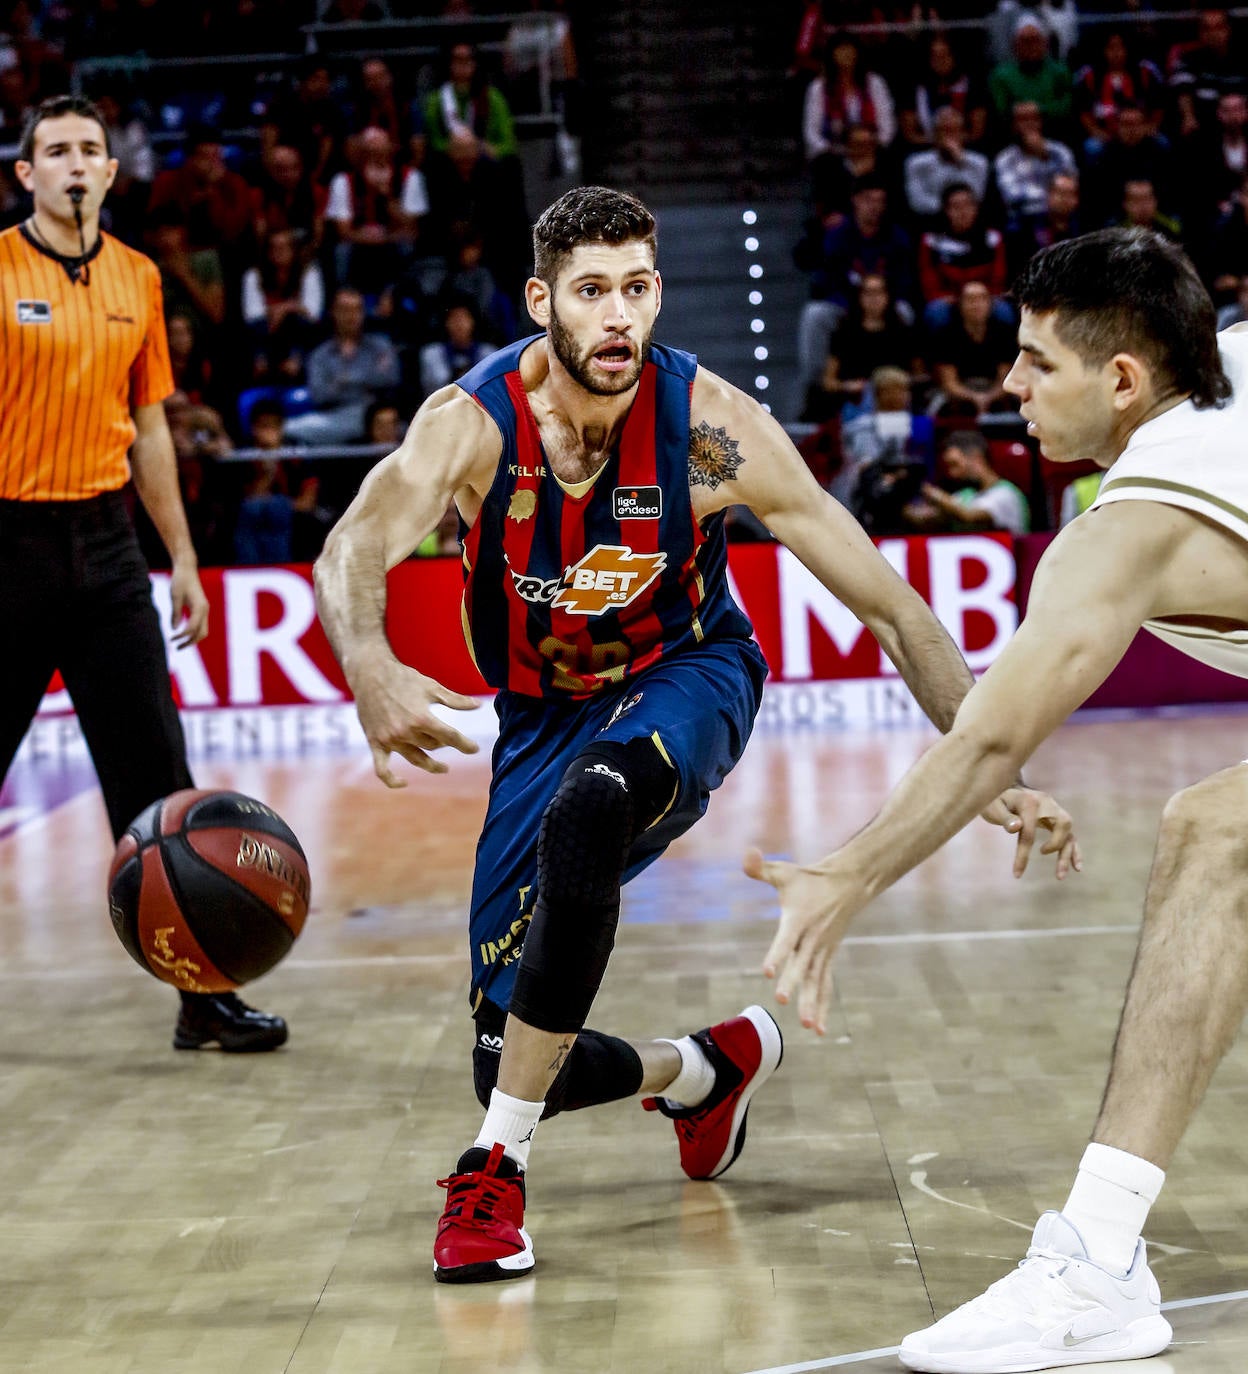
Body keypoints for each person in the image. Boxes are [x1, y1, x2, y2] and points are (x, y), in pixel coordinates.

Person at [312, 185, 1072, 1285]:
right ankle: (705, 1072)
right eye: (590, 293)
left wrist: (992, 759)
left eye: (635, 288)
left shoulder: (715, 431)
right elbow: (352, 547)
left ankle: (494, 1174)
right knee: (507, 1052)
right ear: (543, 302)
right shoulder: (472, 424)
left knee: (595, 807)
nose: (618, 316)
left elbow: (891, 608)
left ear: (658, 291)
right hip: (540, 716)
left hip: (689, 675)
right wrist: (370, 666)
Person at [747, 227, 1248, 1370]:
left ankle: (1095, 1269)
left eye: (1033, 361)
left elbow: (989, 740)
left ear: (1123, 380)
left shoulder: (1128, 527)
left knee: (1215, 832)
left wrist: (843, 877)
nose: (1005, 383)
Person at [0, 95, 287, 1053]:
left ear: (111, 172)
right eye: (56, 151)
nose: (75, 164)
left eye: (90, 149)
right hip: (9, 547)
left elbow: (152, 425)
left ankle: (203, 998)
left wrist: (186, 557)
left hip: (109, 549)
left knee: (159, 789)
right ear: (26, 174)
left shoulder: (139, 276)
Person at [912, 428, 1031, 534]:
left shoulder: (1005, 493)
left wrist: (930, 491)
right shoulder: (966, 494)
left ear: (976, 459)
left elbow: (969, 516)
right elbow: (926, 520)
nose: (952, 474)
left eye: (955, 464)